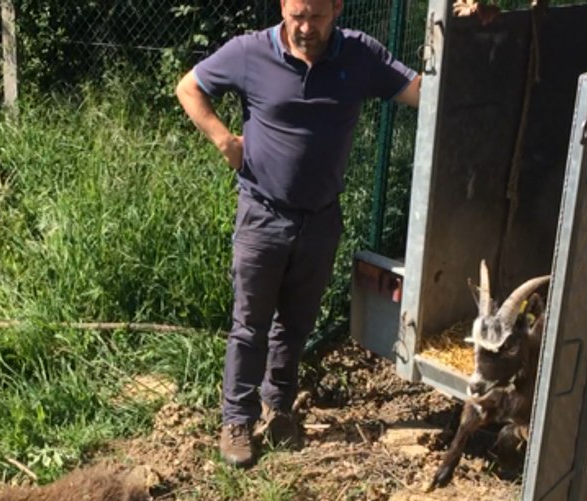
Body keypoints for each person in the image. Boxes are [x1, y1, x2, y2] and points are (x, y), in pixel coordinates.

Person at [176, 0, 421, 468]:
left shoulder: (359, 56)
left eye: (318, 17)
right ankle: (237, 420)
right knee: (251, 324)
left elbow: (422, 93)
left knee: (298, 321)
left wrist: (468, 34)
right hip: (262, 215)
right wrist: (224, 141)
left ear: (338, 9)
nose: (306, 28)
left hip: (321, 218)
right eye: (297, 15)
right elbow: (189, 87)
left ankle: (279, 407)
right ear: (284, 7)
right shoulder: (250, 53)